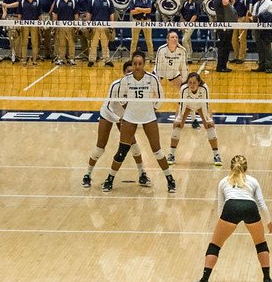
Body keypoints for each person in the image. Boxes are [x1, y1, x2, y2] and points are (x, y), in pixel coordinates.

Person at [190, 155, 272, 282]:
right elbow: (261, 204)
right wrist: (269, 222)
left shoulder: (224, 181)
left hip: (231, 207)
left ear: (230, 167)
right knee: (260, 243)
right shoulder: (253, 181)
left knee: (215, 245)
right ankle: (267, 280)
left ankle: (204, 281)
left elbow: (220, 206)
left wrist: (222, 224)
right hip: (250, 207)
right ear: (246, 168)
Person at [101, 51, 176, 193]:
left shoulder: (152, 79)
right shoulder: (126, 79)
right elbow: (120, 97)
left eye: (140, 64)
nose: (137, 66)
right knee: (122, 151)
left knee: (157, 151)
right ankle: (109, 179)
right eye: (135, 63)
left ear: (144, 64)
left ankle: (170, 179)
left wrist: (152, 107)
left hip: (148, 117)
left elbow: (160, 96)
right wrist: (128, 108)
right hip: (130, 118)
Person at [83, 61, 151, 188]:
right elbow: (108, 106)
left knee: (134, 146)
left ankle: (142, 174)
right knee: (100, 148)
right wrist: (119, 120)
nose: (130, 73)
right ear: (123, 73)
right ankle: (87, 174)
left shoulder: (139, 86)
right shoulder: (115, 85)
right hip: (109, 114)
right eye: (128, 72)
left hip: (124, 117)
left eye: (132, 71)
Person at [168, 72, 222, 167]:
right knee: (177, 126)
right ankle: (171, 154)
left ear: (199, 82)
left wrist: (208, 119)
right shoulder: (184, 88)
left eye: (194, 83)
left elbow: (206, 104)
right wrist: (179, 118)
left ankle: (216, 155)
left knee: (209, 126)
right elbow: (182, 105)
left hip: (201, 105)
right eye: (190, 82)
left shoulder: (204, 88)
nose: (192, 85)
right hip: (187, 105)